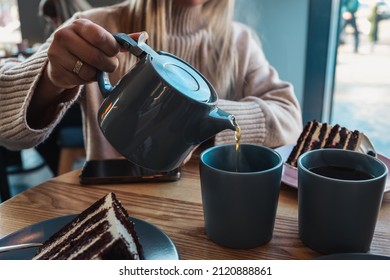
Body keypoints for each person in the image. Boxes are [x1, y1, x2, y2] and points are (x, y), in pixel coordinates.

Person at [0, 0, 302, 167]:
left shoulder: (239, 42)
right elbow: (7, 130)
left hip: (200, 208)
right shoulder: (97, 25)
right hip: (113, 202)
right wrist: (50, 80)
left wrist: (200, 117)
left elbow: (289, 115)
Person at [32, 0, 92, 175]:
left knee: (41, 128)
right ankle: (59, 171)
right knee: (41, 124)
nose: (53, 23)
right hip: (83, 105)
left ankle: (58, 172)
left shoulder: (68, 36)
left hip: (84, 108)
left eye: (53, 19)